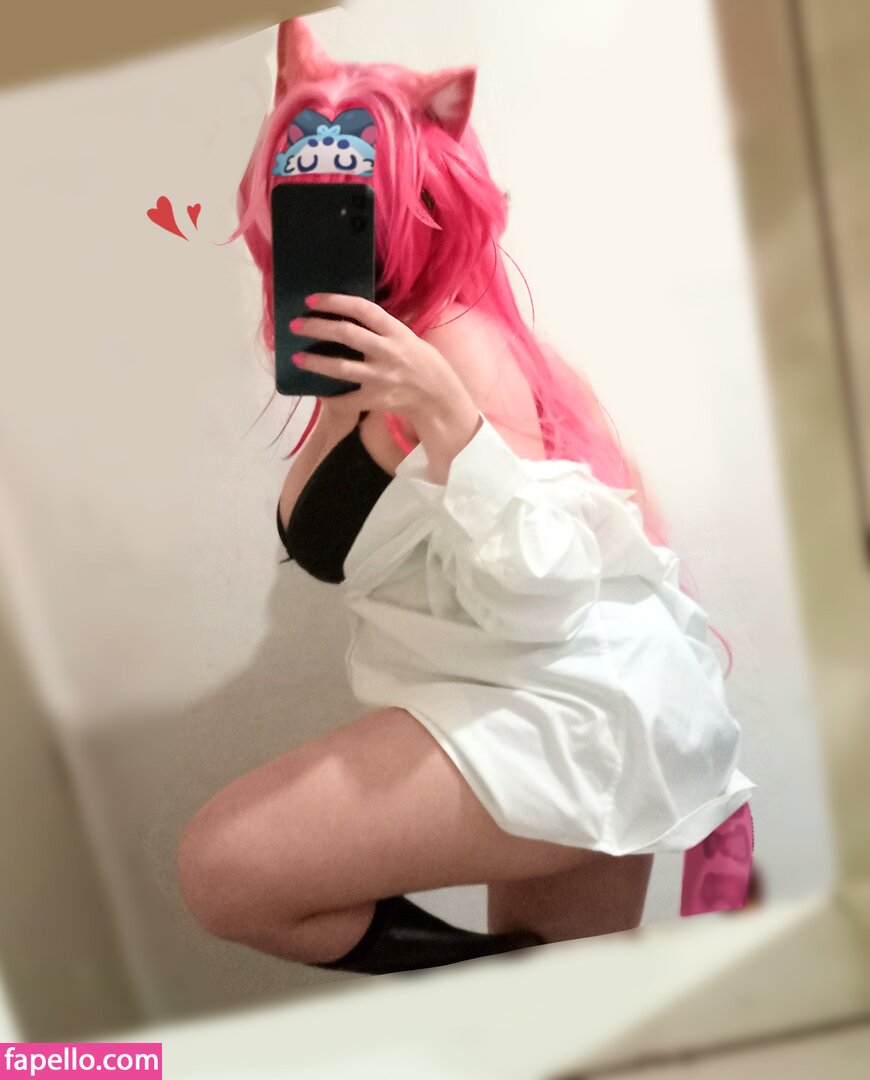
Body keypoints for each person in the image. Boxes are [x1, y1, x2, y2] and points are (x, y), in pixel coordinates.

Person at [176, 17, 757, 975]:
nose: (324, 236)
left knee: (225, 866)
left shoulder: (455, 355)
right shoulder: (365, 355)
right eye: (302, 205)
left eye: (352, 208)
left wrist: (452, 422)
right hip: (528, 696)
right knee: (565, 1006)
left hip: (562, 707)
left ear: (420, 203)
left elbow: (543, 594)